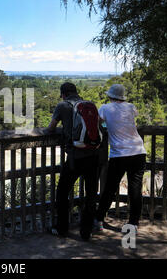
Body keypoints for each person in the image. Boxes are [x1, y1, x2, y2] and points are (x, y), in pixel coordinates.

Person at [47, 82, 100, 240]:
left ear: (63, 94)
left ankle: (62, 228)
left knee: (62, 193)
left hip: (75, 157)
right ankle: (86, 232)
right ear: (77, 92)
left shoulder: (62, 106)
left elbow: (51, 128)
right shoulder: (89, 104)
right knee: (91, 194)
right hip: (93, 155)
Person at [95, 84, 147, 233]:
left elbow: (99, 123)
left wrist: (106, 127)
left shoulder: (105, 108)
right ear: (122, 96)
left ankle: (99, 220)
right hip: (138, 151)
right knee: (135, 189)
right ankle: (133, 223)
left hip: (119, 154)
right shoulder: (131, 106)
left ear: (110, 95)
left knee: (110, 188)